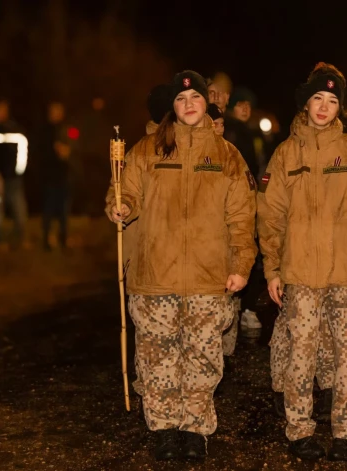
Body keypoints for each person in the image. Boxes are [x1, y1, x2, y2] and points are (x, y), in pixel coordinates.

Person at [105, 70, 257, 462]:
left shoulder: (226, 155)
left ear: (206, 104)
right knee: (157, 358)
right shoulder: (147, 150)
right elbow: (126, 192)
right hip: (155, 274)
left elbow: (242, 216)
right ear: (172, 108)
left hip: (209, 277)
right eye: (180, 100)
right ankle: (164, 427)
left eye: (195, 99)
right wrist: (120, 206)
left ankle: (195, 428)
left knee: (203, 358)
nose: (189, 105)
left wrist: (241, 264)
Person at [257, 62, 347, 462]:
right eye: (318, 98)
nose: (324, 106)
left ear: (339, 108)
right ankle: (300, 430)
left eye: (332, 100)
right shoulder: (286, 154)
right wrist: (272, 268)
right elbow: (271, 216)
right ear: (306, 103)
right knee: (302, 354)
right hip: (300, 272)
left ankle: (346, 433)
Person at [0, 99, 28, 248]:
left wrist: (18, 170)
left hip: (12, 179)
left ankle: (20, 238)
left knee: (19, 209)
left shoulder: (14, 129)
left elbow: (22, 149)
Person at [38, 102, 73, 251]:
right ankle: (46, 240)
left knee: (64, 211)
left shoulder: (68, 129)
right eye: (53, 111)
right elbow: (39, 153)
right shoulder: (44, 131)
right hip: (49, 178)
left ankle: (63, 239)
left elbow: (75, 147)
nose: (55, 114)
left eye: (58, 111)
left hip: (64, 177)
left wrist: (67, 153)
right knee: (48, 210)